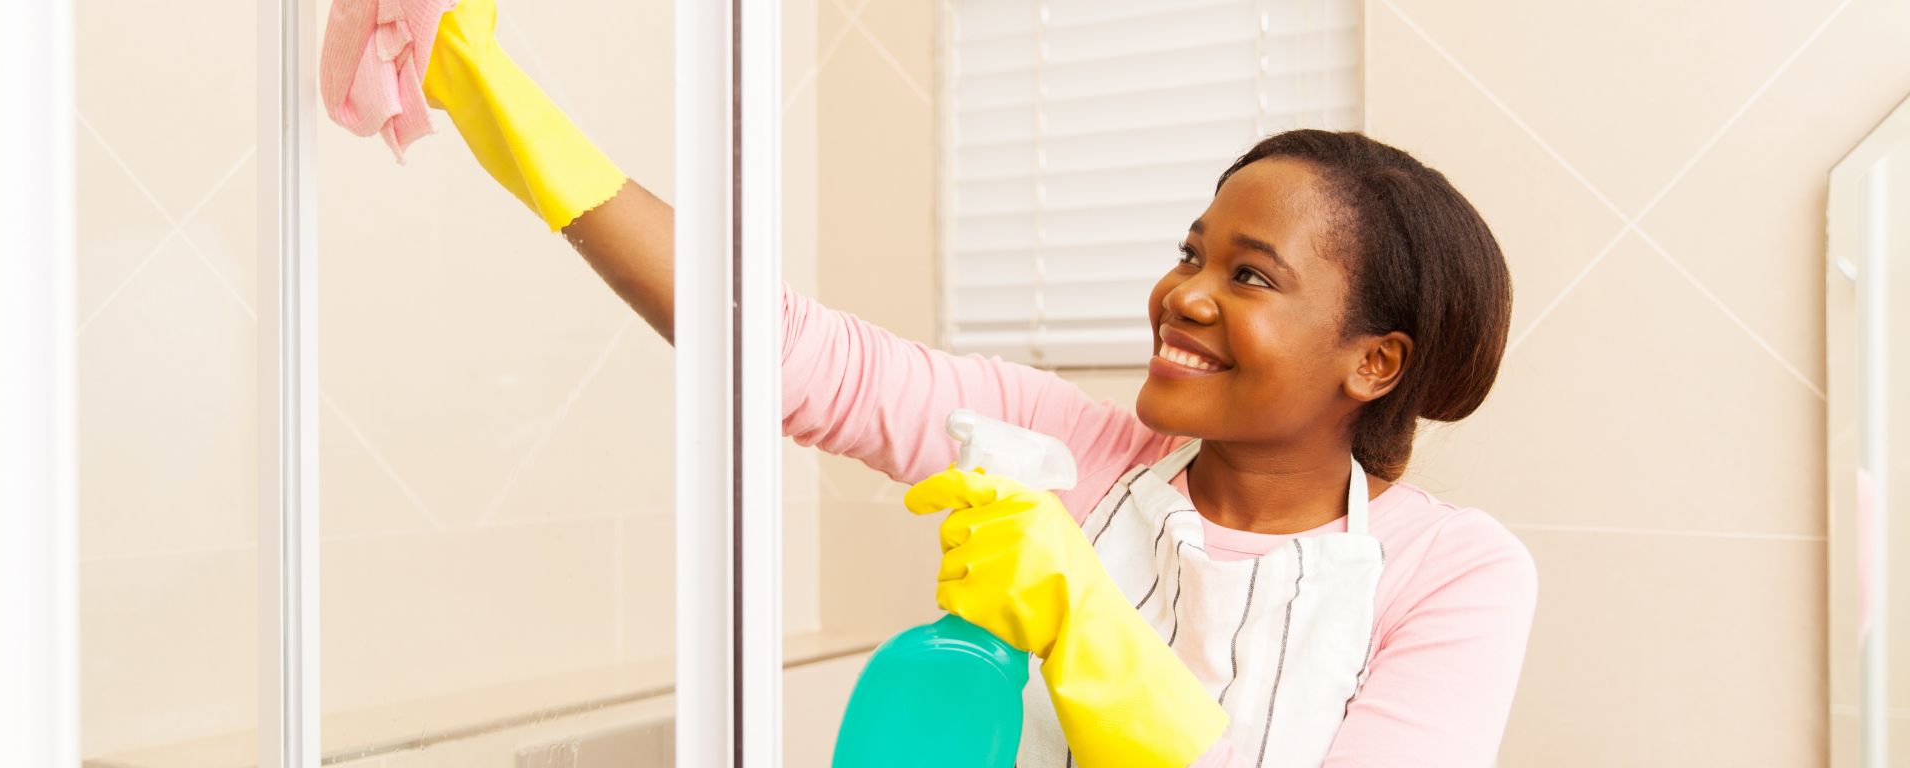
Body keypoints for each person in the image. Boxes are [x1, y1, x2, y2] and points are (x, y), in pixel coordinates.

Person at [412, 0, 1538, 764]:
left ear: (1373, 360)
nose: (1184, 294)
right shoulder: (1076, 455)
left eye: (1250, 274)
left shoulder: (1455, 572)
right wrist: (496, 100)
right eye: (1190, 253)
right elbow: (786, 352)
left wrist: (1090, 628)